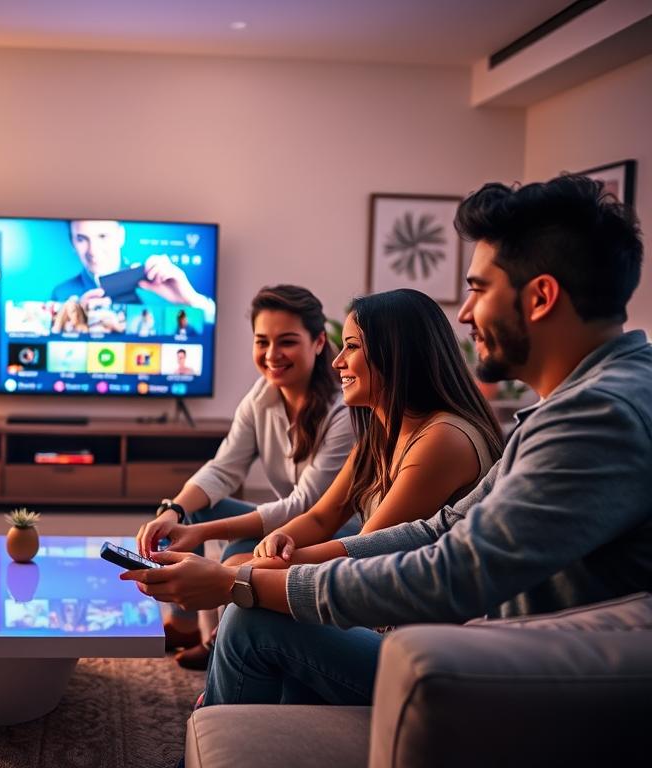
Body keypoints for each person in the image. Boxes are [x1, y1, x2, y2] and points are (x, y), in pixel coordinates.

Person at [123, 175, 651, 709]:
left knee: (252, 617)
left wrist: (242, 583)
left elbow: (450, 575)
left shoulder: (598, 416)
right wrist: (254, 568)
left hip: (516, 681)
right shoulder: (572, 408)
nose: (464, 315)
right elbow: (439, 528)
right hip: (495, 653)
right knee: (253, 596)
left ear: (540, 297)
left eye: (478, 289)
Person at [135, 284, 355, 668]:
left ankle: (222, 643)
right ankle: (189, 628)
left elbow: (306, 506)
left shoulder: (342, 412)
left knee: (215, 530)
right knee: (204, 507)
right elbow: (223, 468)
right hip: (289, 522)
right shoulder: (263, 395)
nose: (272, 355)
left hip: (336, 530)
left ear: (319, 342)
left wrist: (202, 532)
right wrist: (172, 511)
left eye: (286, 341)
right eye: (262, 341)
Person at [244, 288, 503, 573]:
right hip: (378, 592)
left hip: (414, 609)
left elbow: (367, 548)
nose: (337, 361)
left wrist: (246, 570)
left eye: (351, 347)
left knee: (243, 579)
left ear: (395, 353)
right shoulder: (379, 436)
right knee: (241, 564)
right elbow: (321, 518)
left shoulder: (444, 439)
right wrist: (283, 538)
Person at [51, 220, 216, 321]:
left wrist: (192, 301)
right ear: (72, 242)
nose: (93, 251)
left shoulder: (160, 283)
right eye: (81, 239)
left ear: (120, 236)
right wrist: (77, 323)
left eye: (103, 237)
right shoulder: (60, 294)